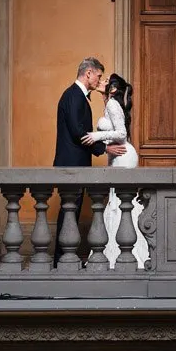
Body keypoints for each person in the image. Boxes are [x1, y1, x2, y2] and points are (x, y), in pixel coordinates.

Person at [52, 57, 126, 267]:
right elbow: (78, 133)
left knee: (71, 211)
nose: (99, 80)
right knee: (69, 211)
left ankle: (64, 258)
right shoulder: (74, 95)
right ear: (88, 73)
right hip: (71, 165)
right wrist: (104, 148)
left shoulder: (76, 95)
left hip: (75, 163)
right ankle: (62, 260)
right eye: (99, 76)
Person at [82, 73, 148, 269]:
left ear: (111, 89)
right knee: (118, 201)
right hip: (118, 155)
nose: (101, 82)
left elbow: (121, 134)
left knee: (121, 201)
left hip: (123, 155)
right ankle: (118, 250)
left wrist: (96, 136)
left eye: (105, 81)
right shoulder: (110, 103)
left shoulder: (112, 104)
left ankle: (128, 251)